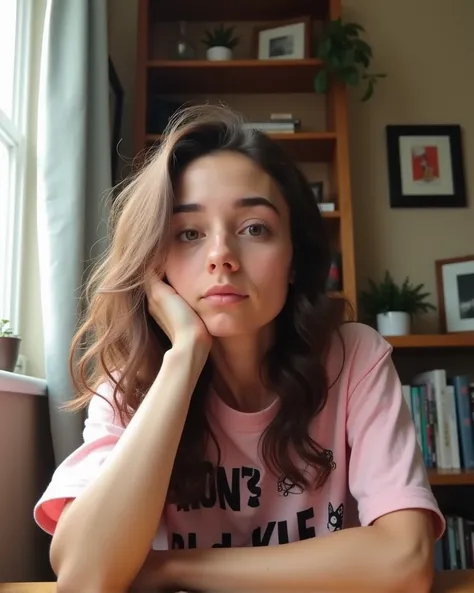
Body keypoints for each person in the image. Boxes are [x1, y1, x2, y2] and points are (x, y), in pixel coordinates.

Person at [34, 104, 445, 593]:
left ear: (295, 258)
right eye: (188, 233)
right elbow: (83, 579)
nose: (221, 256)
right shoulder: (131, 379)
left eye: (255, 228)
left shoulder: (354, 357)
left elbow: (406, 560)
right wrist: (184, 356)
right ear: (154, 265)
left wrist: (173, 568)